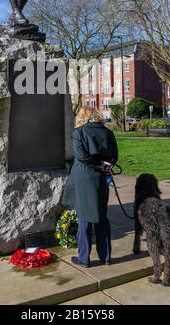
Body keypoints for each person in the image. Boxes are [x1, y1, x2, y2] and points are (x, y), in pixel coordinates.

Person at [62, 106, 118, 268]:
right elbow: (114, 156)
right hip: (101, 178)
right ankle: (106, 256)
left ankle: (84, 258)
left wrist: (99, 163)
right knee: (101, 216)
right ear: (98, 116)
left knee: (85, 218)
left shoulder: (79, 132)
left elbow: (82, 157)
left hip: (84, 178)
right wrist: (105, 165)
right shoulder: (108, 133)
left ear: (82, 116)